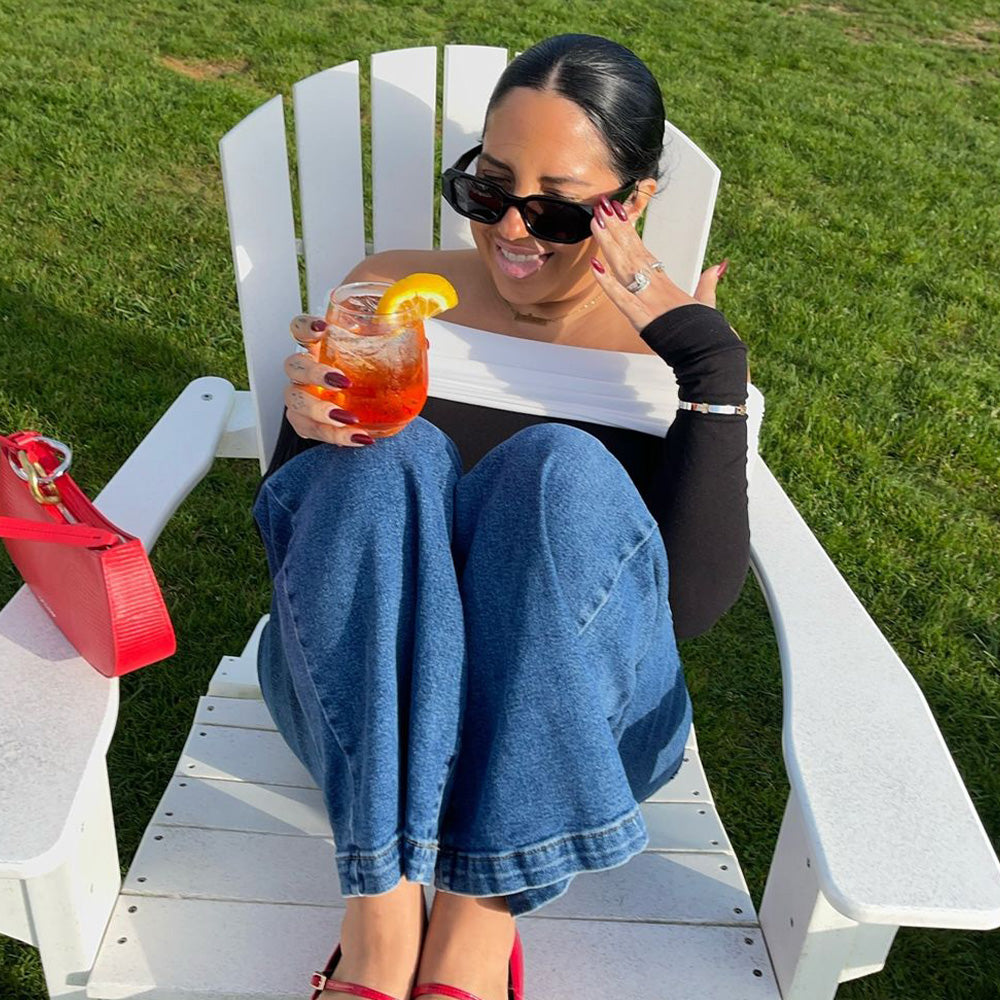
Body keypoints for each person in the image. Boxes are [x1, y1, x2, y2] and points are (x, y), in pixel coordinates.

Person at [251, 33, 749, 1000]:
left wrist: (710, 368)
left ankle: (477, 926)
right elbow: (308, 556)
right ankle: (382, 913)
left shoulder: (673, 351)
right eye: (488, 189)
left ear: (634, 201)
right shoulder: (390, 291)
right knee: (382, 457)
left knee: (558, 467)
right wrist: (310, 430)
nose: (513, 228)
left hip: (575, 725)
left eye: (556, 206)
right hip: (372, 710)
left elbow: (685, 610)